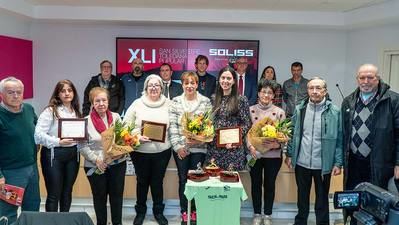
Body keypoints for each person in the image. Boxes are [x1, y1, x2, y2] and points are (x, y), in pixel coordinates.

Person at [341, 64, 399, 225]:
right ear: (357, 79)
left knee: (377, 205)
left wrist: (398, 163)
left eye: (370, 77)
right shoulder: (348, 102)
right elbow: (344, 134)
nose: (366, 81)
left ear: (377, 79)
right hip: (353, 162)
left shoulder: (393, 100)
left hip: (380, 164)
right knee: (353, 202)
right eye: (362, 77)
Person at [285, 77, 343, 225]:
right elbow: (293, 134)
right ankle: (300, 222)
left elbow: (339, 139)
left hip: (323, 165)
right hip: (302, 162)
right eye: (311, 88)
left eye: (318, 88)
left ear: (325, 91)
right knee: (302, 197)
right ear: (308, 90)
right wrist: (290, 154)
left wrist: (338, 162)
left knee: (322, 199)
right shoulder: (300, 109)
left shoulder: (335, 112)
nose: (315, 91)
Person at [124, 75, 171, 225]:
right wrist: (137, 137)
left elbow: (176, 126)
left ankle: (158, 212)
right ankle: (140, 212)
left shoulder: (169, 104)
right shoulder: (137, 104)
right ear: (145, 87)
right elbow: (126, 126)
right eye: (150, 85)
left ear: (161, 88)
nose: (154, 88)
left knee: (157, 182)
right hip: (140, 152)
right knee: (142, 182)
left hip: (162, 152)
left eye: (157, 85)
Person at [169, 71, 212, 224]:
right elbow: (172, 126)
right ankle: (184, 211)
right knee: (183, 180)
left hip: (199, 148)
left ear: (197, 84)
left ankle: (194, 210)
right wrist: (178, 147)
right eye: (186, 83)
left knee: (196, 180)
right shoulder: (175, 101)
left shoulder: (205, 101)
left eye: (192, 83)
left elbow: (208, 126)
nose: (189, 86)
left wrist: (198, 140)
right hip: (181, 149)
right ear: (182, 84)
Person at [79, 87, 127, 225]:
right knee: (99, 198)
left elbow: (123, 139)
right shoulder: (86, 121)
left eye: (104, 100)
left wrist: (122, 150)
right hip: (96, 166)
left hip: (117, 164)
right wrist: (97, 160)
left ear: (108, 101)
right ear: (92, 103)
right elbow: (82, 146)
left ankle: (117, 223)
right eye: (97, 101)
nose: (101, 103)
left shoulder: (116, 117)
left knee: (117, 197)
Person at [34, 80, 81, 212]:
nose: (67, 93)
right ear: (58, 94)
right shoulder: (50, 111)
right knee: (54, 195)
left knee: (67, 193)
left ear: (74, 93)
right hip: (53, 155)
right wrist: (58, 141)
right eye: (63, 91)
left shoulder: (76, 111)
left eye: (70, 90)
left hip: (73, 156)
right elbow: (37, 135)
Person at [0, 77, 40, 224]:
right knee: (8, 211)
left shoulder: (29, 109)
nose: (16, 96)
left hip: (32, 170)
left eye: (19, 92)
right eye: (11, 92)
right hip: (11, 174)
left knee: (32, 209)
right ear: (2, 95)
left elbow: (38, 130)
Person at [247, 80, 285, 225]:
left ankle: (267, 214)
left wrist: (277, 144)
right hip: (254, 154)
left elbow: (284, 134)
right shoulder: (250, 110)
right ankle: (257, 213)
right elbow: (246, 133)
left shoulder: (279, 112)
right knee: (255, 183)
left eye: (270, 92)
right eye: (264, 92)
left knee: (270, 184)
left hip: (273, 156)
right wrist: (251, 148)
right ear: (258, 93)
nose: (266, 95)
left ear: (273, 95)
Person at [206, 66, 252, 171]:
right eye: (223, 78)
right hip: (214, 149)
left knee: (231, 183)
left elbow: (246, 123)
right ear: (219, 79)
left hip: (232, 149)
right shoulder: (213, 99)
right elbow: (209, 123)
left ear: (234, 81)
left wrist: (234, 140)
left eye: (228, 78)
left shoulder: (241, 100)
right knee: (214, 183)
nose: (225, 81)